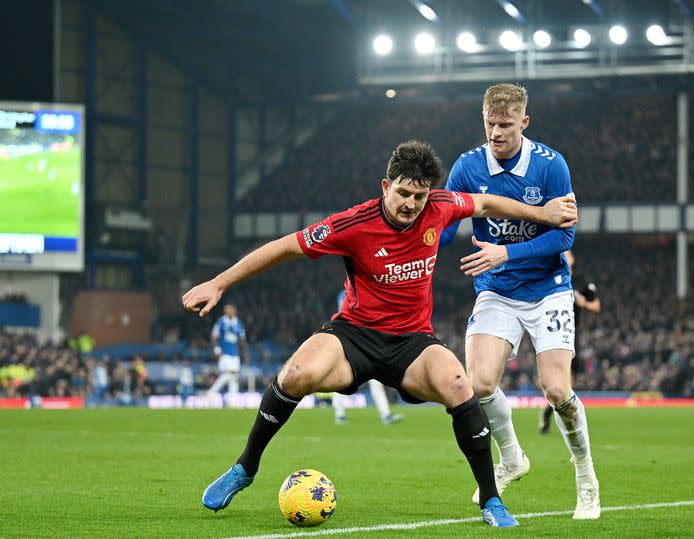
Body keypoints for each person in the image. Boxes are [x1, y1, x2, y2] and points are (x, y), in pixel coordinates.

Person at [182, 140, 577, 527]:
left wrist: (542, 214)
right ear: (386, 187)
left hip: (412, 342)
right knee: (294, 375)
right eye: (403, 193)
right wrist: (219, 283)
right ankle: (245, 467)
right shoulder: (353, 224)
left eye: (419, 197)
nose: (411, 204)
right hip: (354, 335)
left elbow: (486, 203)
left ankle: (491, 499)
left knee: (460, 384)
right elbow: (285, 246)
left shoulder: (441, 206)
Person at [439, 83, 601, 519]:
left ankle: (585, 476)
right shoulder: (467, 167)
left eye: (506, 125)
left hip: (548, 287)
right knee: (480, 384)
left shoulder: (551, 166)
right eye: (490, 124)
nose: (496, 132)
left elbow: (564, 234)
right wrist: (422, 244)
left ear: (524, 123)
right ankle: (511, 458)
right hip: (495, 289)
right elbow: (448, 226)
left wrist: (505, 251)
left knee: (556, 390)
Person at [540, 250, 600, 434]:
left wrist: (584, 304)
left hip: (572, 334)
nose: (565, 256)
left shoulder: (581, 281)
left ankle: (550, 413)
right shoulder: (549, 277)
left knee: (566, 382)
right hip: (550, 332)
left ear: (573, 259)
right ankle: (552, 415)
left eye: (568, 254)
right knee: (557, 380)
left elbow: (597, 305)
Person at [332, 289, 404, 425]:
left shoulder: (367, 289)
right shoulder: (345, 294)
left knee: (376, 380)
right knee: (342, 378)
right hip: (351, 340)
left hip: (368, 340)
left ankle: (386, 415)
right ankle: (340, 414)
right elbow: (346, 315)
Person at [207, 304, 248, 404]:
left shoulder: (238, 323)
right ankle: (212, 392)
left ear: (234, 310)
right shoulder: (221, 322)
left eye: (230, 309)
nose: (228, 311)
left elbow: (242, 339)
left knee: (233, 377)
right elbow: (214, 336)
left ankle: (233, 401)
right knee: (229, 373)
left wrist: (245, 352)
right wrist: (217, 350)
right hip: (224, 353)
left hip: (235, 354)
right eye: (226, 310)